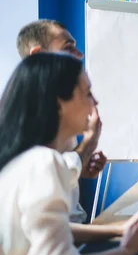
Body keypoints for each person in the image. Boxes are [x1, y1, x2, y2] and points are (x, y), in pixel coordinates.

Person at [0, 53, 138, 255]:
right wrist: (126, 250)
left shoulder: (24, 161)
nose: (95, 102)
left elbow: (52, 230)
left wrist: (119, 229)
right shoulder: (44, 163)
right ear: (58, 102)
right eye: (87, 93)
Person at [17, 19, 107, 223]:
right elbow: (48, 177)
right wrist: (88, 144)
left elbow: (61, 171)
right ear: (39, 55)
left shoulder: (64, 105)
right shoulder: (23, 117)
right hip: (60, 238)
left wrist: (82, 166)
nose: (79, 55)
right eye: (69, 48)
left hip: (73, 229)